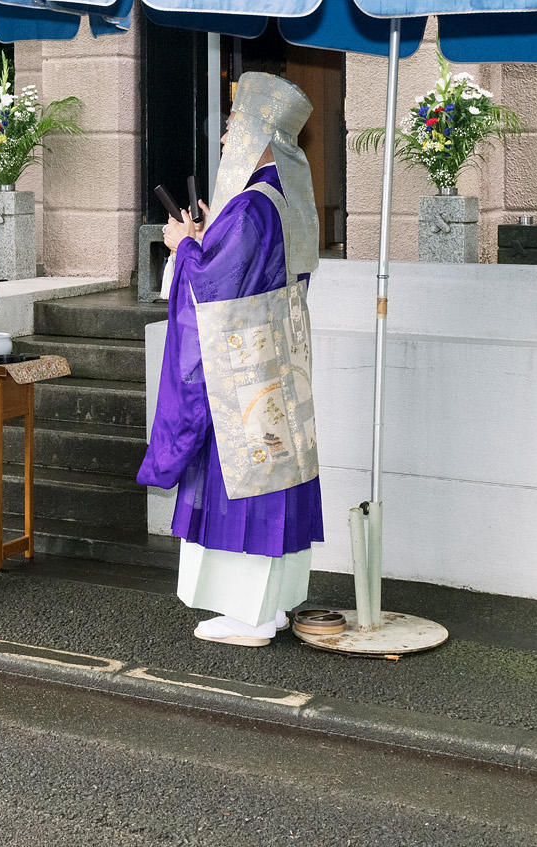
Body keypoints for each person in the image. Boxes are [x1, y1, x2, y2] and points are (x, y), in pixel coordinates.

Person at [139, 73, 324, 646]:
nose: (223, 139)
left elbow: (215, 288)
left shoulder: (249, 207)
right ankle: (273, 605)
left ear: (259, 135)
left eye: (232, 126)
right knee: (276, 479)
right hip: (278, 364)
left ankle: (249, 615)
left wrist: (184, 246)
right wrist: (204, 240)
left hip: (240, 372)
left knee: (240, 483)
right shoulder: (286, 197)